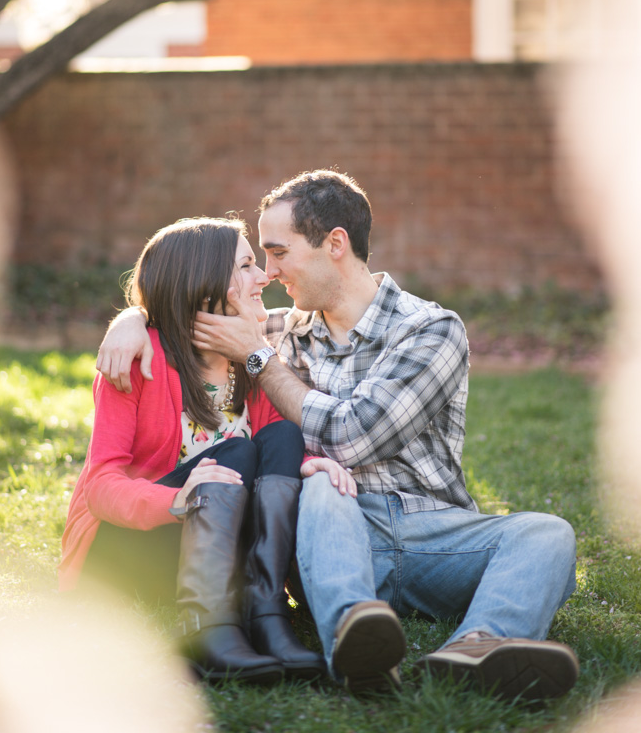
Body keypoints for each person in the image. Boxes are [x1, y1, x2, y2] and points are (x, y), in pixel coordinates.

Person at [97, 172, 579, 701]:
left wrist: (259, 358)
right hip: (326, 537)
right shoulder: (282, 326)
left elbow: (353, 436)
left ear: (335, 244)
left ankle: (477, 647)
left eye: (279, 252)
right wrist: (134, 319)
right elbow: (194, 299)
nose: (269, 272)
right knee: (327, 484)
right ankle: (354, 633)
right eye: (262, 257)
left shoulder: (430, 330)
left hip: (430, 531)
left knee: (548, 533)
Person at [62, 215, 354, 685]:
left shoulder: (248, 362)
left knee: (282, 437)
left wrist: (308, 464)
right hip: (127, 552)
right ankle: (205, 626)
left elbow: (278, 439)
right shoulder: (140, 361)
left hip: (216, 555)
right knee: (234, 454)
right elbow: (99, 486)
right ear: (202, 284)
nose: (263, 276)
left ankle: (266, 612)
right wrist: (175, 499)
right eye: (245, 265)